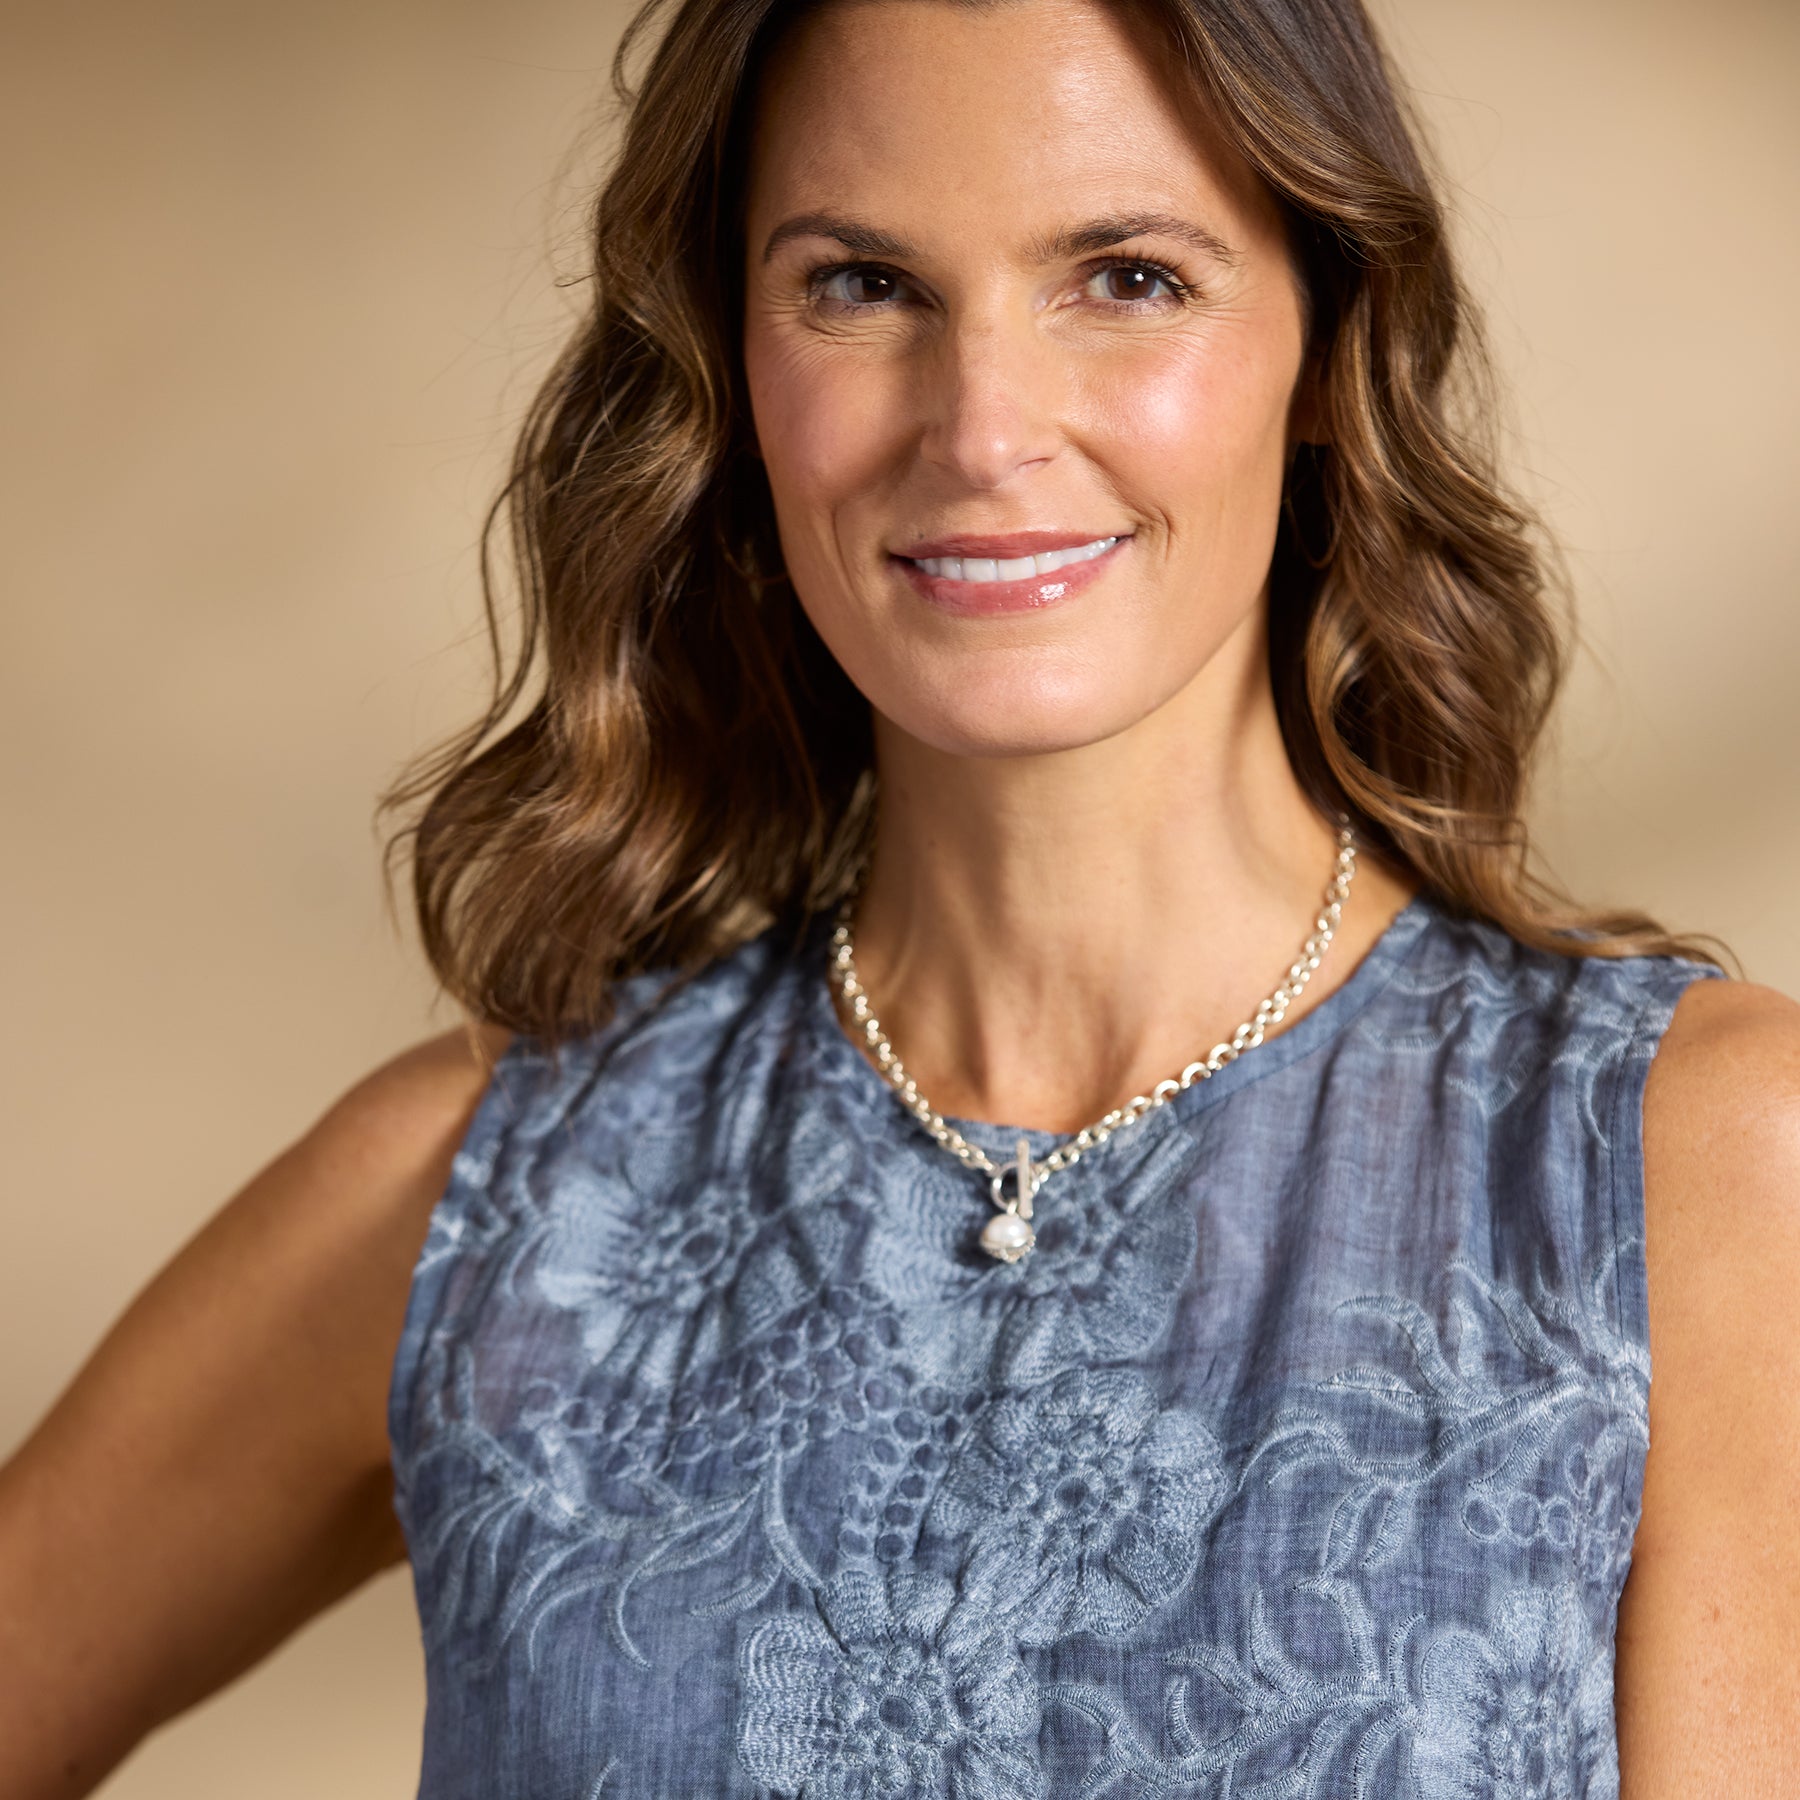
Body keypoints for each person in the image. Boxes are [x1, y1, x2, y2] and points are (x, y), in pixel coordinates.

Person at [3, 0, 1797, 1792]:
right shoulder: (488, 1197)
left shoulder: (1696, 1178)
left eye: (1129, 278)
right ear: (730, 360)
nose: (983, 428)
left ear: (1332, 345)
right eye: (862, 286)